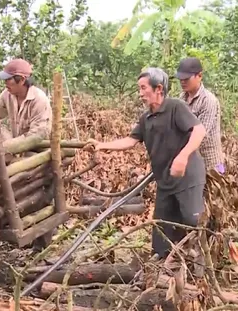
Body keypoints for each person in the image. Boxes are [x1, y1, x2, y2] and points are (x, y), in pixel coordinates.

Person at [85, 68, 207, 259]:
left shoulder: (175, 107)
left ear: (158, 88)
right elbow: (130, 141)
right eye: (139, 89)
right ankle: (160, 264)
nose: (140, 94)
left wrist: (182, 157)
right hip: (165, 180)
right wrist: (101, 145)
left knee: (192, 220)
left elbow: (199, 131)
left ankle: (200, 262)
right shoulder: (146, 118)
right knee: (160, 227)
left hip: (187, 177)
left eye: (143, 88)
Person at [176, 57, 224, 173]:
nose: (183, 82)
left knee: (216, 189)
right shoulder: (181, 98)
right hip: (191, 162)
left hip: (212, 164)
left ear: (199, 76)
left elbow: (200, 135)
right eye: (180, 79)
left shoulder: (208, 101)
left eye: (186, 79)